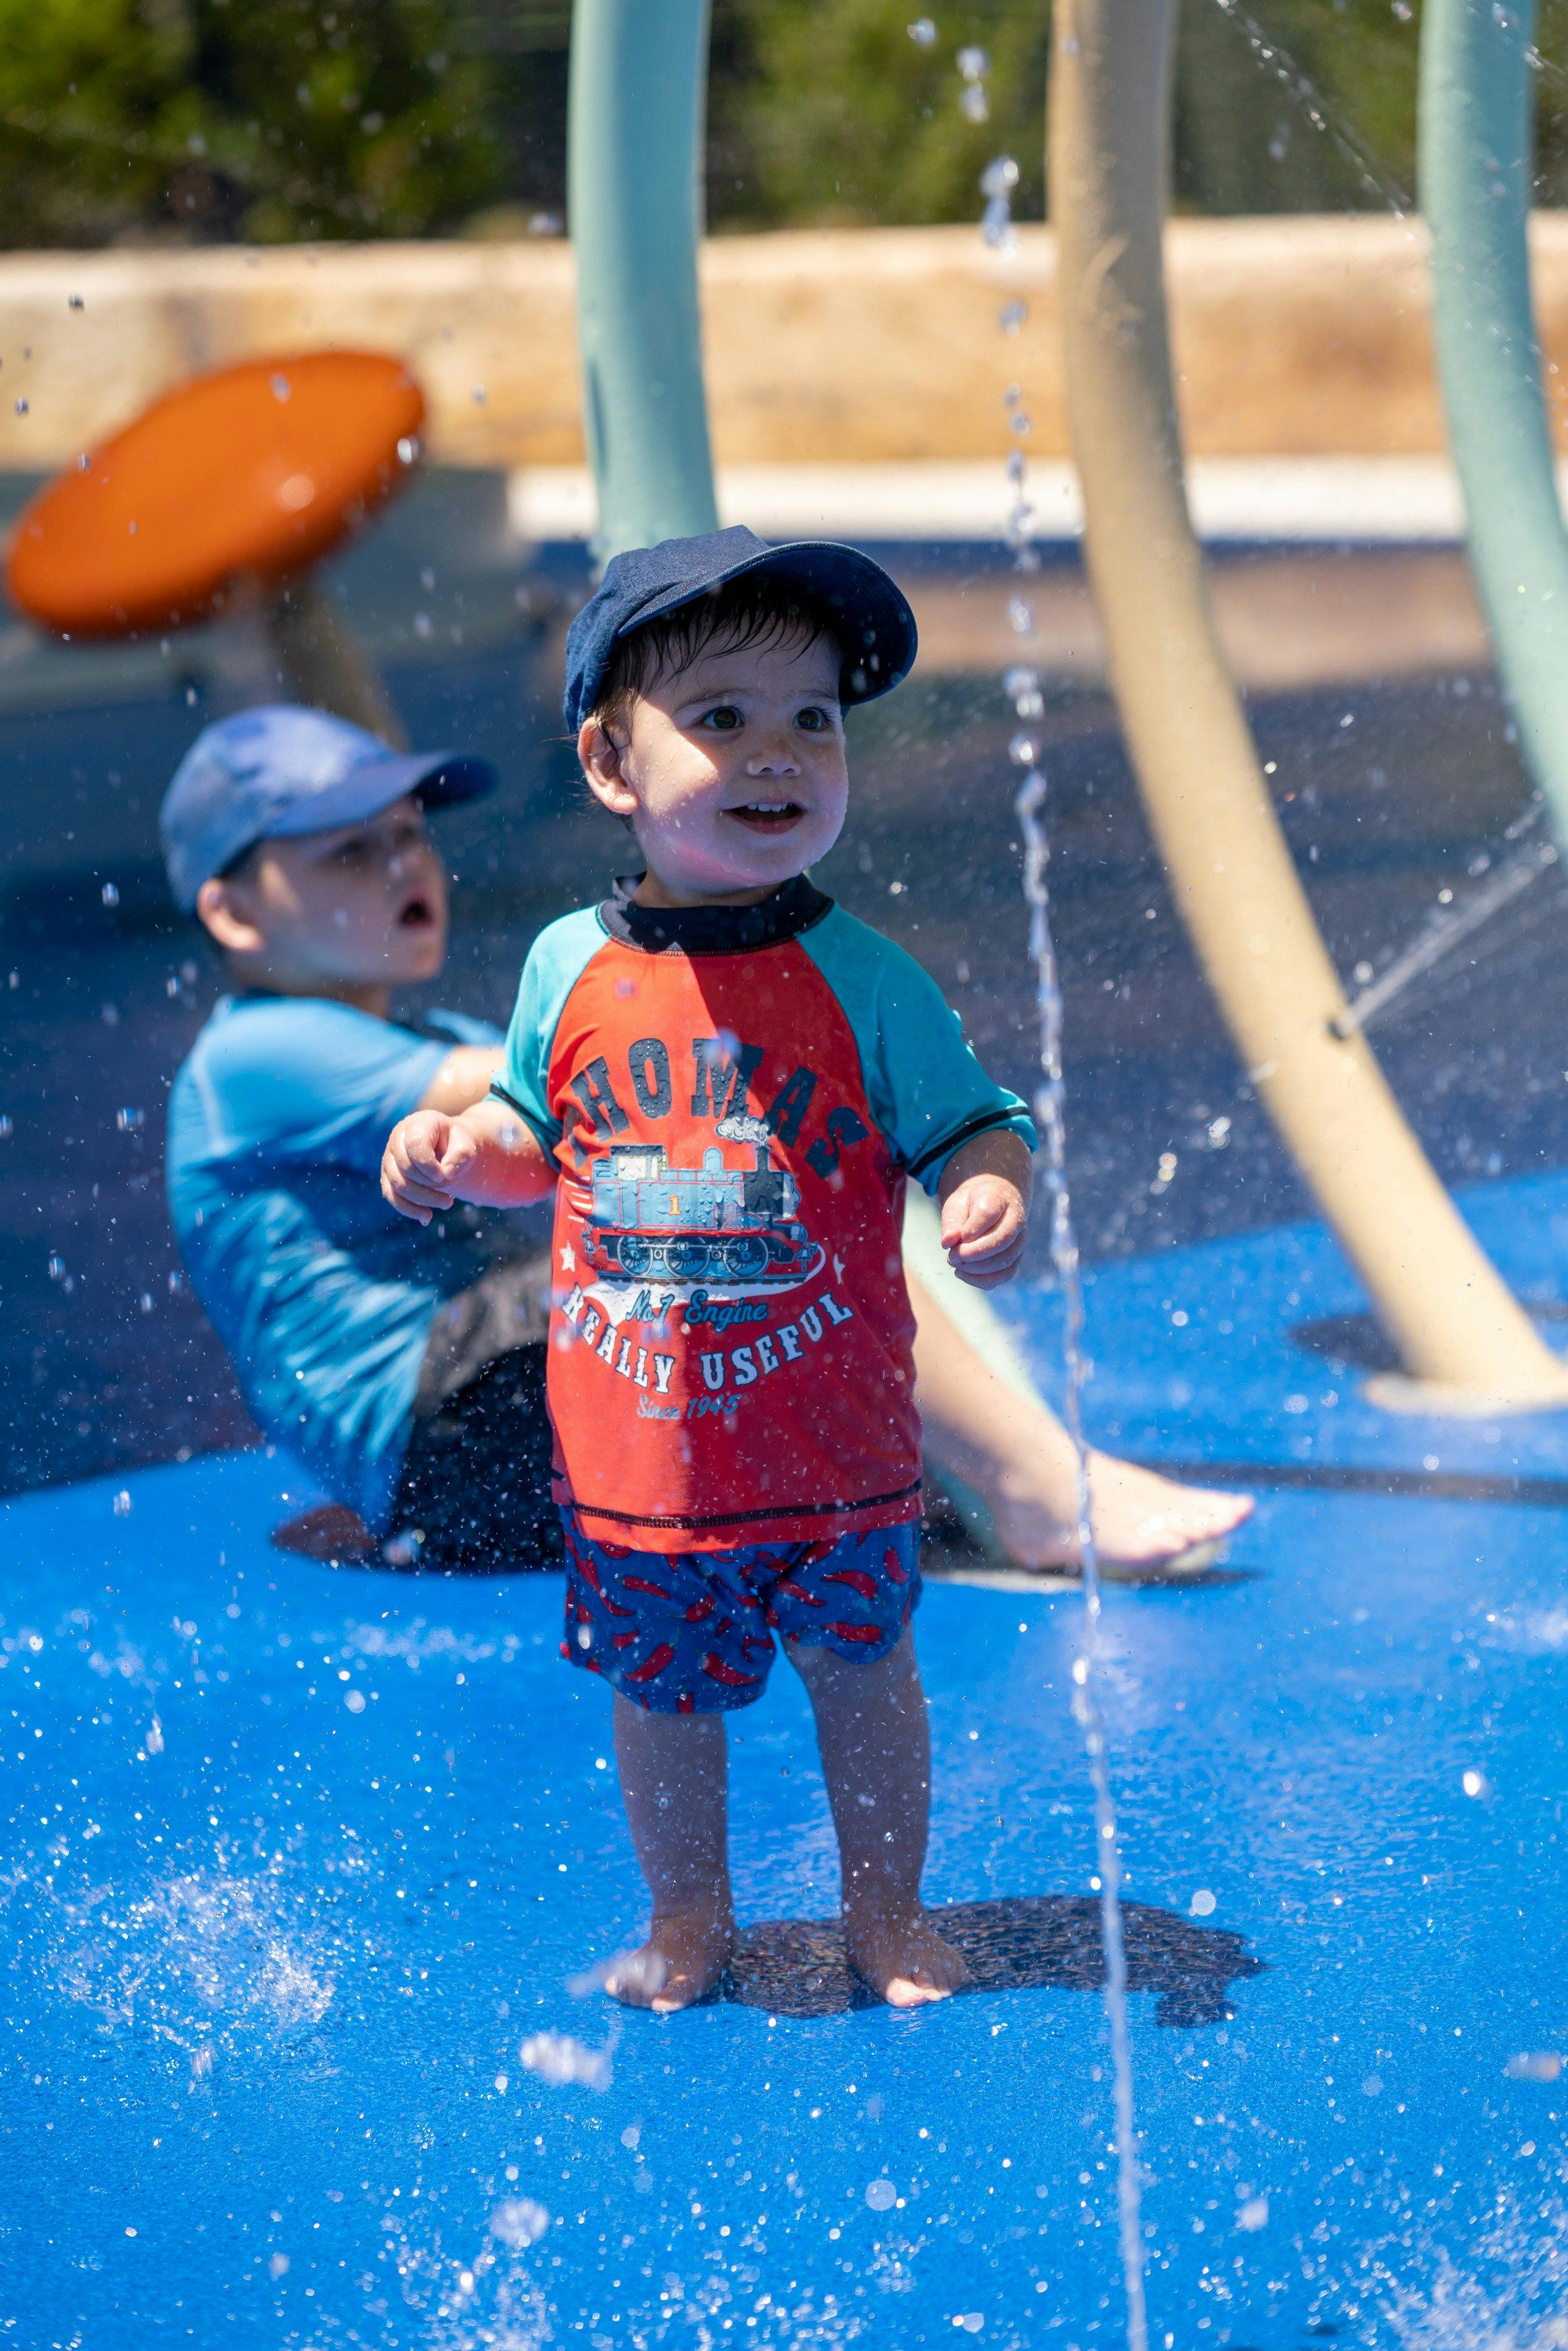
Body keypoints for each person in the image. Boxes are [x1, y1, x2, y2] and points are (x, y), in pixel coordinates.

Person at [379, 529, 1216, 2014]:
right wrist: (461, 1152)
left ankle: (885, 1916)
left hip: (835, 1456)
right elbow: (530, 1128)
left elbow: (979, 1120)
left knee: (868, 1684)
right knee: (662, 1705)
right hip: (645, 1466)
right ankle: (689, 1918)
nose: (780, 753)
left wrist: (986, 1192)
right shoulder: (567, 966)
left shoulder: (867, 976)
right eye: (722, 718)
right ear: (608, 762)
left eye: (813, 720)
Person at [163, 701, 1252, 1589]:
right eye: (351, 852)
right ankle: (1023, 1483)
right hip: (435, 1437)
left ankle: (970, 1469)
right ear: (232, 915)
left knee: (803, 1202)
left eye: (408, 835)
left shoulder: (415, 1032)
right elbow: (599, 1091)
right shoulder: (261, 1056)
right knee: (729, 1222)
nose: (403, 864)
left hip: (486, 1424)